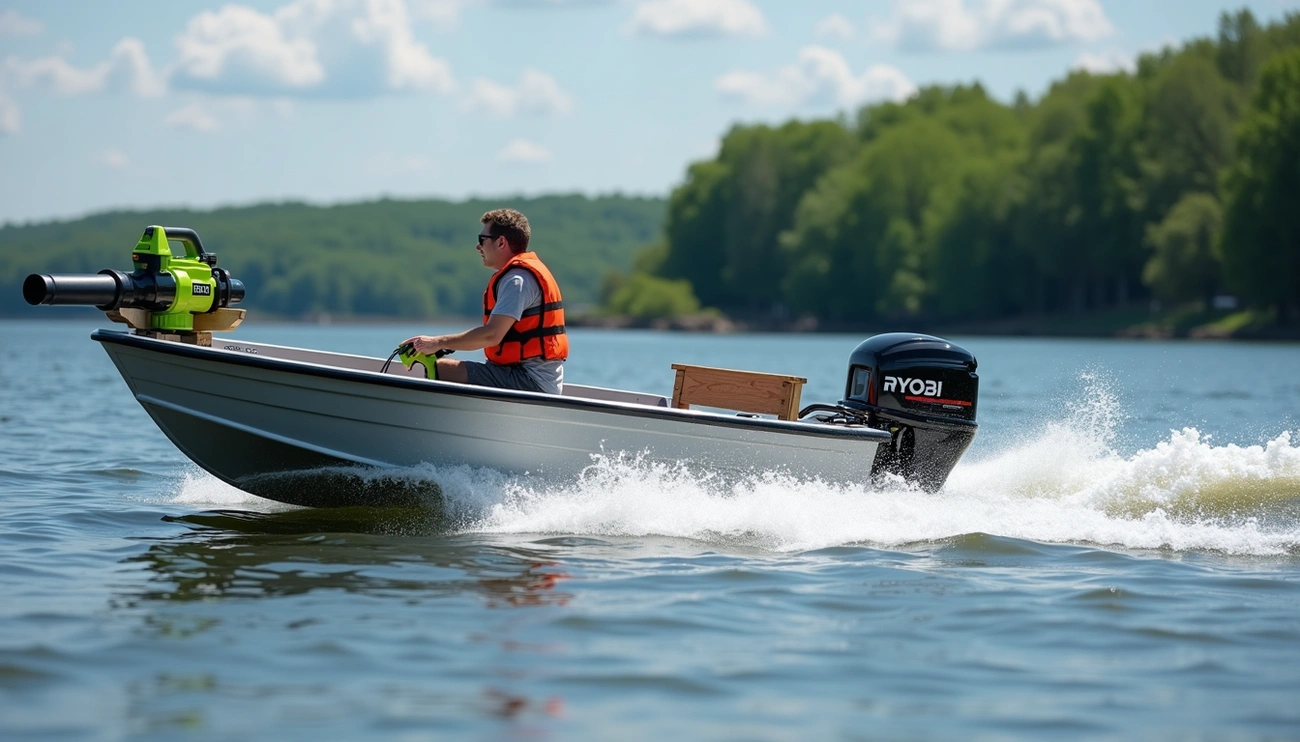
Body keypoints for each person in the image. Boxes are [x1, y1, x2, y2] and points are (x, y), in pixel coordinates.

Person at [400, 208, 567, 394]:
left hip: (530, 381)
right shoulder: (516, 277)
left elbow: (491, 335)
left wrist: (437, 342)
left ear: (501, 242)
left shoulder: (517, 281)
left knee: (442, 369)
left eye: (482, 240)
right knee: (442, 366)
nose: (478, 247)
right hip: (522, 376)